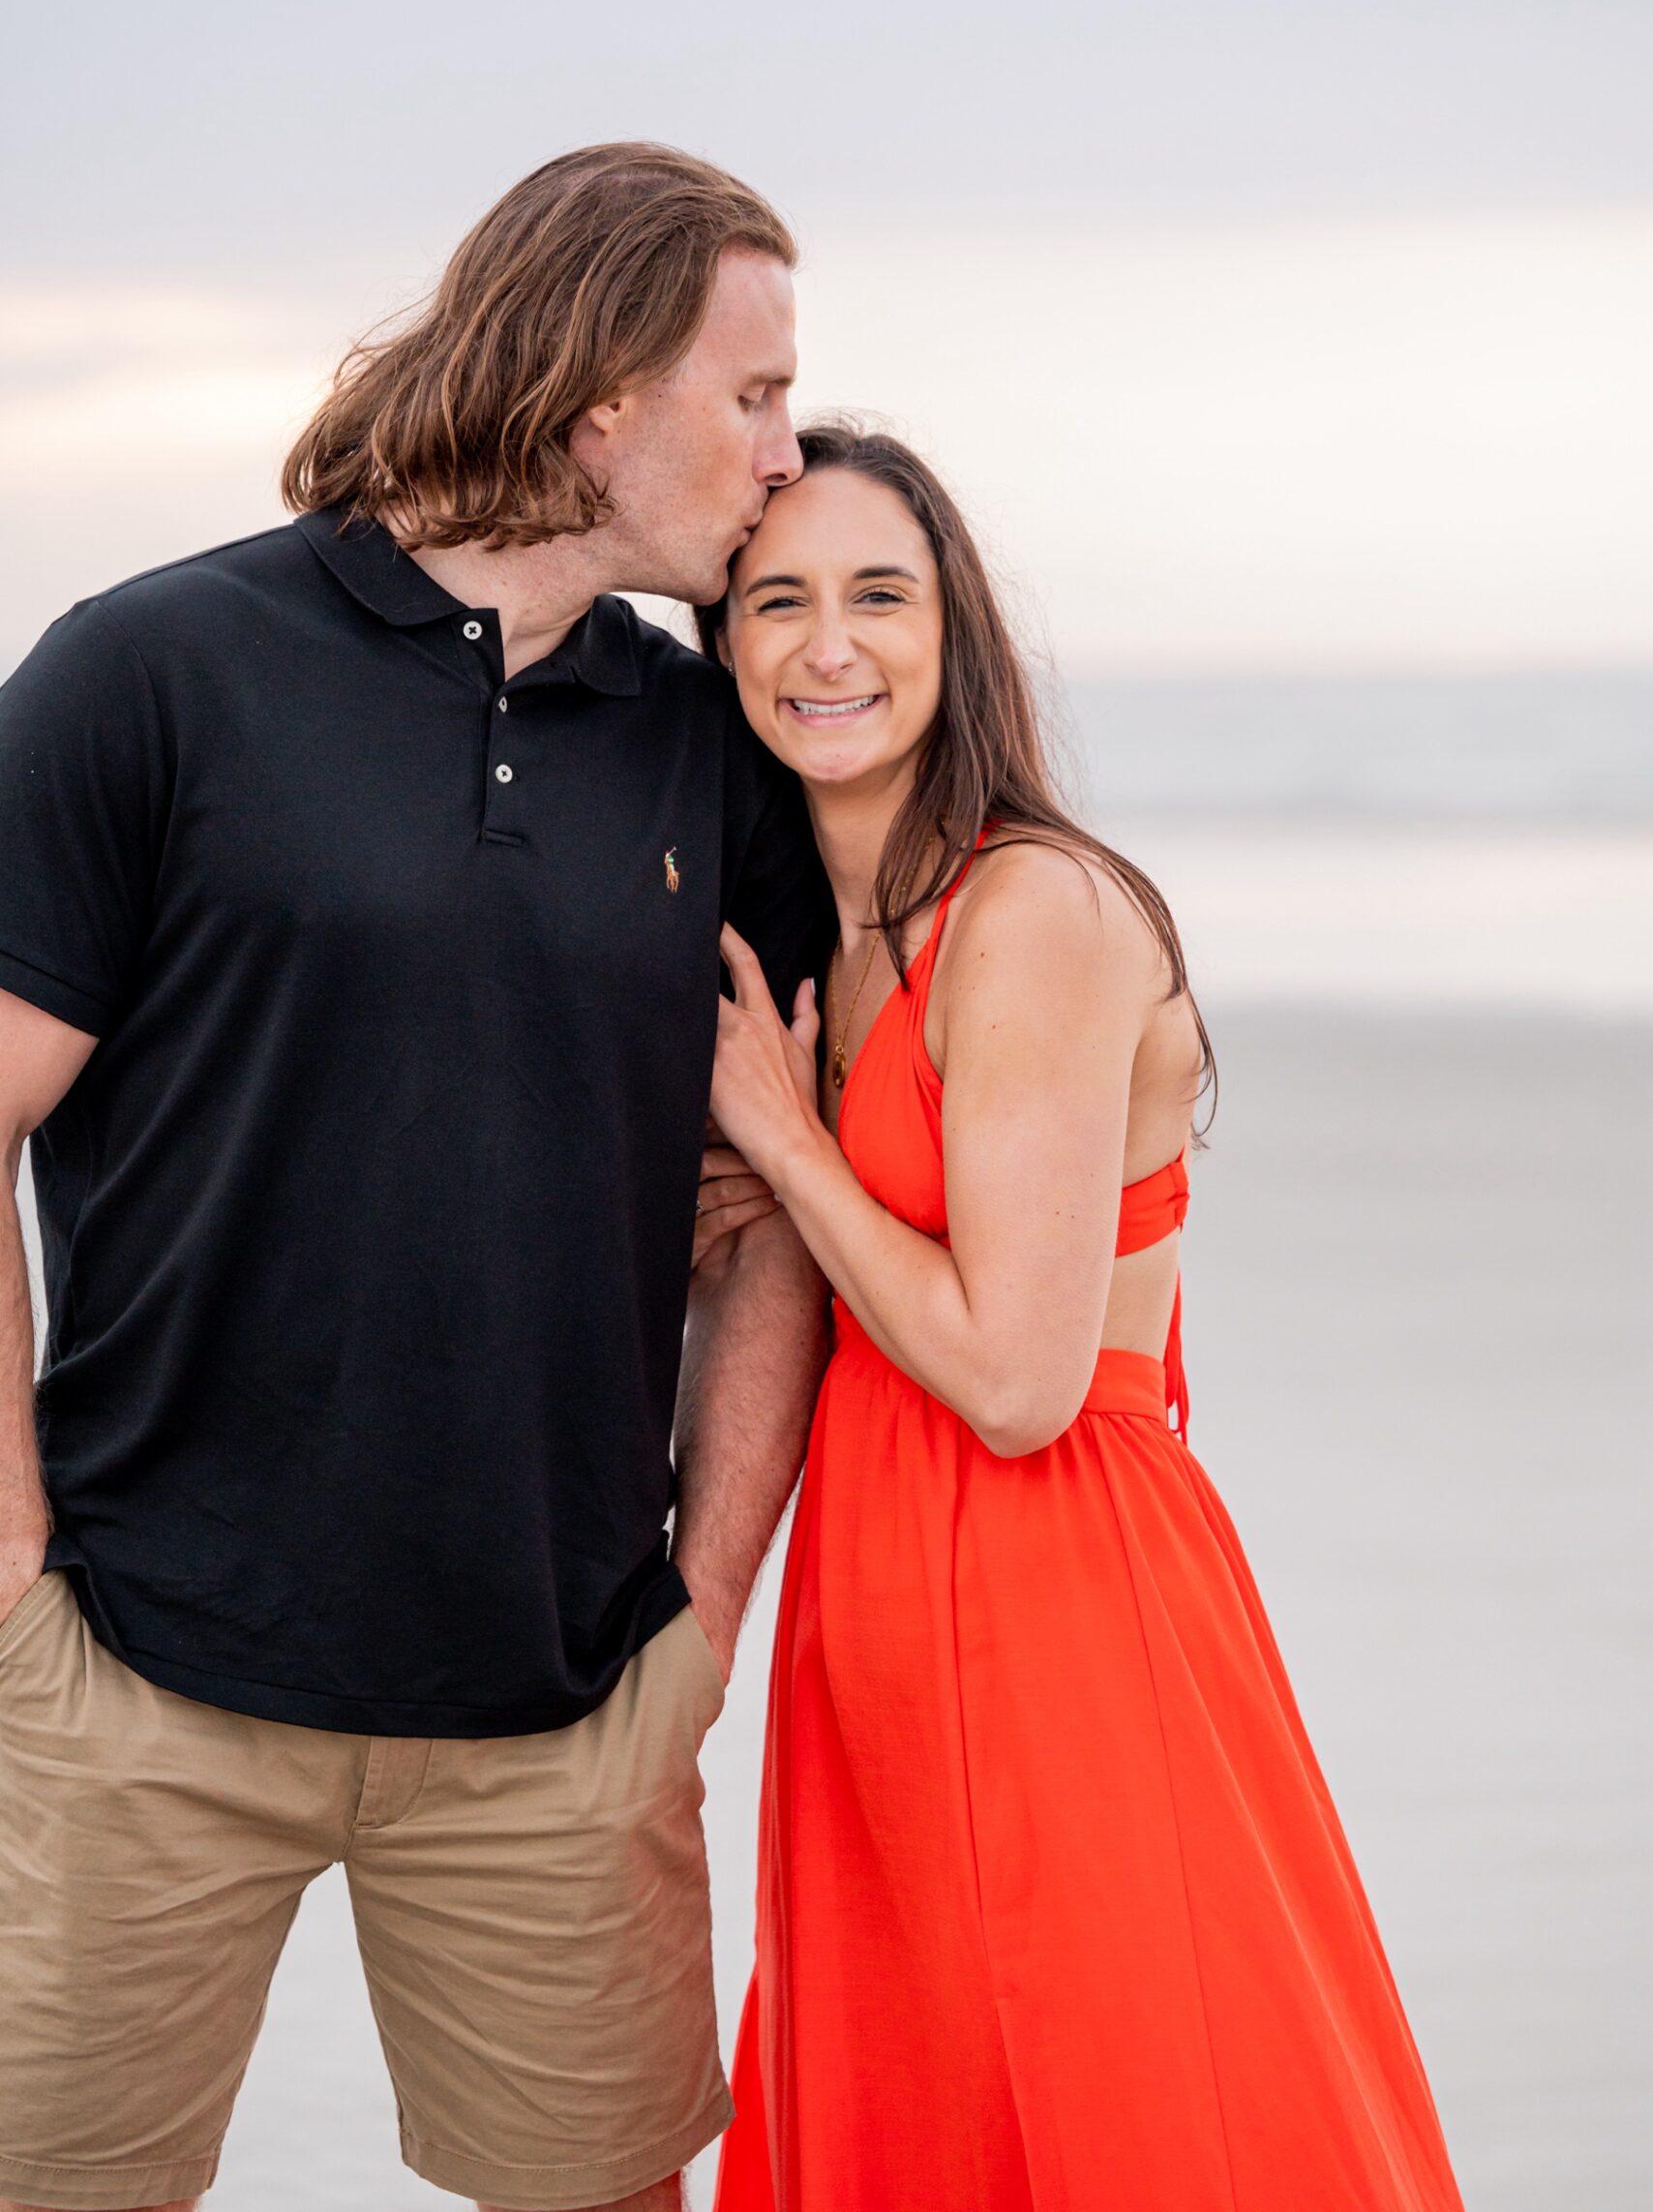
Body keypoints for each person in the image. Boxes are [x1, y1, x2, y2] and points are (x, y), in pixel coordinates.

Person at [0, 143, 835, 2212]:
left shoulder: (706, 742)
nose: (783, 450)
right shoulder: (156, 670)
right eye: (749, 395)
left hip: (561, 1712)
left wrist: (700, 1621)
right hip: (141, 1675)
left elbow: (770, 1222)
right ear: (596, 401)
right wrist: (17, 1592)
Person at [697, 424, 1465, 2211]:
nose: (831, 646)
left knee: (1122, 2098)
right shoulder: (832, 923)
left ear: (957, 631)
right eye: (778, 600)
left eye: (880, 596)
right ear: (723, 643)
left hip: (1048, 1591)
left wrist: (789, 1150)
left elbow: (1017, 1377)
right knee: (936, 2104)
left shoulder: (1027, 906)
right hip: (876, 1588)